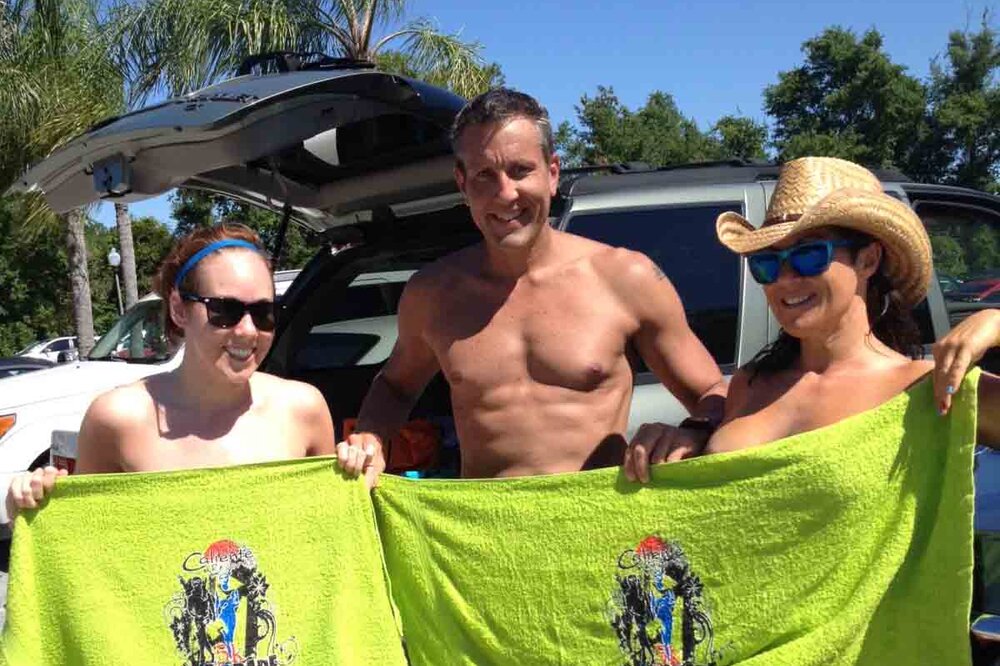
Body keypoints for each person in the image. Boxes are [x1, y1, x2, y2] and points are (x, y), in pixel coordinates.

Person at [340, 88, 727, 480]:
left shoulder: (626, 278)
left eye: (520, 170)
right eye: (484, 175)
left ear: (552, 173)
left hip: (597, 512)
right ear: (462, 184)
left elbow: (711, 390)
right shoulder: (432, 294)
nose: (505, 193)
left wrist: (693, 431)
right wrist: (371, 436)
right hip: (483, 515)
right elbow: (395, 386)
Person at [637, 156, 998, 458]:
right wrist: (686, 439)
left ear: (868, 260)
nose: (784, 278)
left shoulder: (927, 388)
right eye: (766, 262)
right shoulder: (750, 384)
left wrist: (995, 321)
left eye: (809, 255)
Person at [6, 223, 369, 519]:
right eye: (224, 310)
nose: (248, 331)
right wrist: (31, 504)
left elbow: (324, 526)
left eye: (263, 313)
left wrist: (358, 468)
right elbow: (87, 539)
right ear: (179, 309)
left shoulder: (304, 409)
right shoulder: (117, 418)